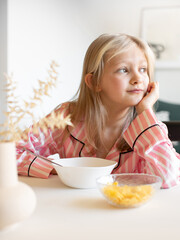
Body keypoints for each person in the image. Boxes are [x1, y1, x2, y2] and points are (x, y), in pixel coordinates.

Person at [16, 33, 180, 188]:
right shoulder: (67, 116)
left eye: (143, 69)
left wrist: (145, 110)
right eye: (123, 70)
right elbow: (9, 154)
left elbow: (168, 177)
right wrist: (56, 168)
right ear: (94, 82)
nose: (138, 79)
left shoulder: (150, 129)